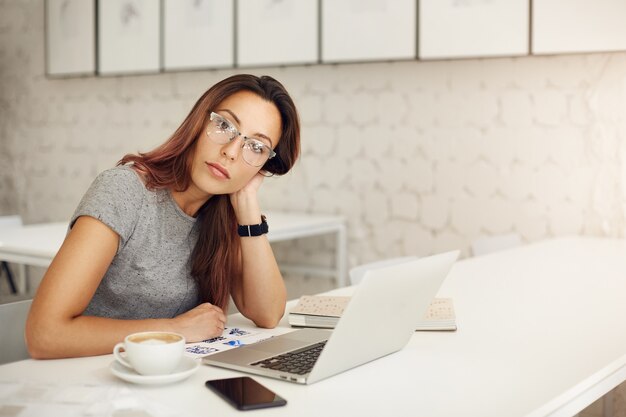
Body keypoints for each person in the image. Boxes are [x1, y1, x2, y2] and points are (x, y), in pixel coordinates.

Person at [25, 74, 300, 359]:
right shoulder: (124, 191)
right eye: (224, 125)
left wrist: (247, 201)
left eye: (256, 147)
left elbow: (267, 314)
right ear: (199, 121)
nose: (231, 152)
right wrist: (173, 330)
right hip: (89, 379)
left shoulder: (221, 215)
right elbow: (44, 334)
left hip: (164, 384)